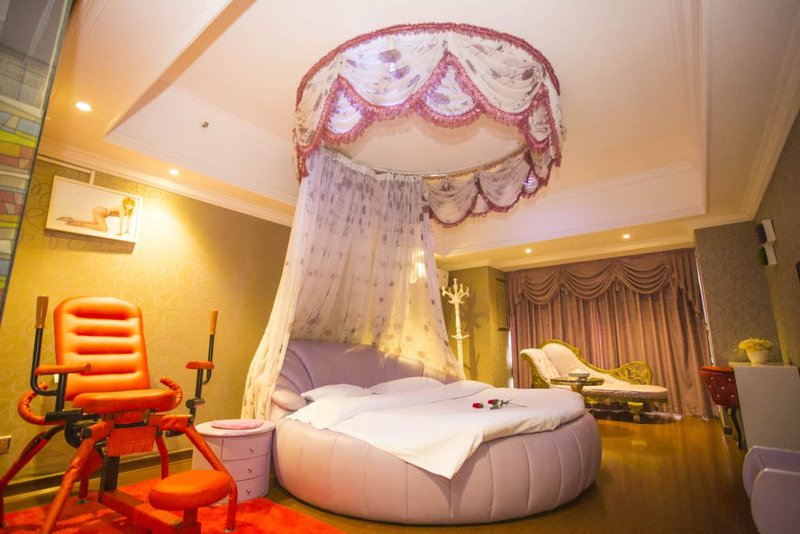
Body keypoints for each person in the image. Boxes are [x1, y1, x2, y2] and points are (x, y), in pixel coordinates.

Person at [57, 196, 136, 236]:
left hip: (99, 211)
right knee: (104, 229)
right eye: (127, 204)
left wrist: (127, 230)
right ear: (124, 204)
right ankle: (81, 224)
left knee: (94, 224)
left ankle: (70, 219)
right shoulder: (122, 208)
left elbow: (128, 221)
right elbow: (121, 220)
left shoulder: (129, 212)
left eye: (130, 205)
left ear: (133, 205)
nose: (128, 206)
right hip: (100, 211)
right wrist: (120, 231)